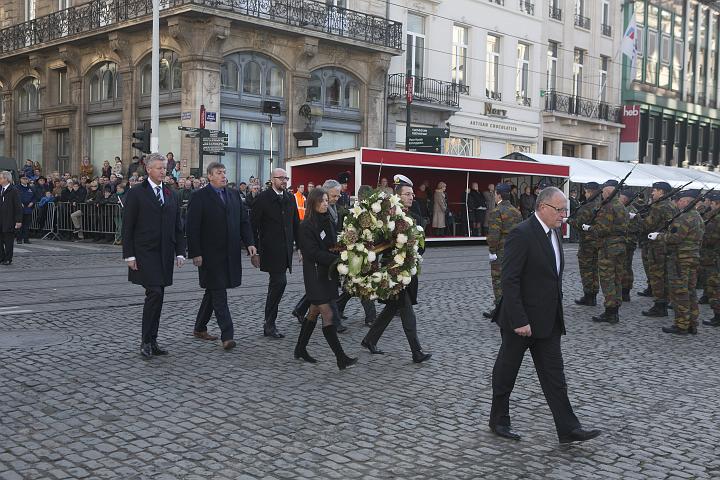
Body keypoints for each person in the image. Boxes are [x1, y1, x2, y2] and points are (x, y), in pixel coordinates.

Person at [489, 187, 601, 444]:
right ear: (542, 207)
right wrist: (519, 320)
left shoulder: (554, 233)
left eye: (565, 210)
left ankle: (568, 428)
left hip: (548, 321)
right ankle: (499, 421)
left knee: (555, 377)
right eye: (559, 209)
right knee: (507, 373)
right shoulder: (521, 233)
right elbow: (510, 279)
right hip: (521, 321)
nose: (564, 215)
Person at [361, 174, 432, 364]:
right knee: (406, 310)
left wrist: (411, 253)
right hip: (393, 273)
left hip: (408, 272)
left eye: (412, 194)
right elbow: (379, 245)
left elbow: (422, 247)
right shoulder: (388, 219)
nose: (411, 197)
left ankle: (369, 340)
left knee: (392, 308)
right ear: (398, 197)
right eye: (407, 194)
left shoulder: (416, 218)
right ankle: (416, 351)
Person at [122, 153, 186, 359]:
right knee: (155, 293)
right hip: (144, 253)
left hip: (165, 253)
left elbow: (178, 226)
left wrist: (180, 252)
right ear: (148, 170)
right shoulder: (136, 193)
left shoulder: (171, 193)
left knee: (159, 296)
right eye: (159, 168)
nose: (163, 171)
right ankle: (145, 341)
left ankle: (153, 340)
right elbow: (128, 227)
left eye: (164, 168)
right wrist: (129, 255)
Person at [187, 162, 257, 350]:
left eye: (225, 172)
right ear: (209, 176)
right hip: (209, 255)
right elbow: (192, 227)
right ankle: (228, 335)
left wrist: (250, 242)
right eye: (219, 173)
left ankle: (199, 327)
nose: (223, 175)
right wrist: (195, 253)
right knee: (219, 293)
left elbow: (244, 221)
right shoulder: (199, 196)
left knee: (213, 290)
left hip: (230, 252)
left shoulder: (234, 195)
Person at [294, 187, 358, 370]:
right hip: (315, 275)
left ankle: (300, 349)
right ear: (313, 203)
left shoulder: (327, 219)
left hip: (327, 273)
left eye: (326, 201)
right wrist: (338, 259)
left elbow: (331, 244)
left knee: (313, 312)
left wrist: (345, 248)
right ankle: (341, 357)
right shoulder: (305, 225)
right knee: (328, 315)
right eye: (321, 201)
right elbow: (312, 253)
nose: (325, 203)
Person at [250, 168, 300, 339]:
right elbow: (253, 225)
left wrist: (300, 247)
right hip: (270, 249)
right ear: (272, 179)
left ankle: (269, 322)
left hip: (285, 250)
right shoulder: (263, 198)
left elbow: (295, 224)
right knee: (279, 282)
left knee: (277, 285)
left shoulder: (289, 197)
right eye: (281, 178)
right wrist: (253, 249)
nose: (284, 181)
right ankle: (269, 324)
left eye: (286, 178)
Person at [648, 190, 705, 335]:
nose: (677, 203)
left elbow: (674, 238)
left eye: (679, 200)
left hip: (680, 260)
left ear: (686, 201)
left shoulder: (684, 218)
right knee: (690, 292)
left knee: (679, 293)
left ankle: (682, 325)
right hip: (692, 258)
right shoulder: (697, 216)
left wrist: (658, 236)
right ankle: (692, 323)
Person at [582, 180, 629, 324]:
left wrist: (588, 228)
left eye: (603, 191)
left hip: (608, 249)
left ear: (608, 191)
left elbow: (602, 229)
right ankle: (614, 309)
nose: (602, 194)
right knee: (616, 279)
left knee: (608, 280)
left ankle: (610, 312)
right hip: (620, 247)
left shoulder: (608, 207)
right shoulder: (621, 206)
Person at [631, 182, 678, 317]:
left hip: (657, 245)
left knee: (657, 276)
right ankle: (666, 302)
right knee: (665, 275)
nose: (652, 193)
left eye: (655, 190)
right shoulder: (671, 205)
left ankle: (660, 306)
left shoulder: (659, 206)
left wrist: (636, 218)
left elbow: (647, 225)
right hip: (666, 244)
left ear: (662, 192)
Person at [484, 183, 522, 319]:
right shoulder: (517, 211)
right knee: (511, 280)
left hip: (500, 251)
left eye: (495, 194)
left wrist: (492, 251)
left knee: (498, 281)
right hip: (515, 252)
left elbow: (494, 235)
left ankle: (500, 310)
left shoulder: (496, 211)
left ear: (499, 195)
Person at [566, 182, 601, 306]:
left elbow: (579, 223)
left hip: (587, 243)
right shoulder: (601, 204)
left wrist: (568, 220)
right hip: (598, 242)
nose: (585, 194)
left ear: (590, 192)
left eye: (586, 192)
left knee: (586, 269)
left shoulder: (587, 207)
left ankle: (589, 296)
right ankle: (593, 295)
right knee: (594, 269)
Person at [702, 192, 720, 327]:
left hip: (714, 258)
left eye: (712, 203)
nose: (710, 205)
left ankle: (718, 316)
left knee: (715, 287)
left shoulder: (716, 219)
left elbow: (710, 239)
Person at [0, 171, 23, 265]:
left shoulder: (13, 190)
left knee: (8, 241)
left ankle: (8, 258)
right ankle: (1, 257)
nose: (0, 180)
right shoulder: (0, 189)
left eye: (1, 178)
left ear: (6, 179)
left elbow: (18, 206)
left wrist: (18, 220)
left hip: (9, 220)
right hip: (0, 219)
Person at [16, 175, 37, 244]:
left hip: (28, 208)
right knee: (19, 224)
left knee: (27, 224)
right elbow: (15, 197)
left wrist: (32, 202)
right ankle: (19, 239)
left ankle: (26, 239)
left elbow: (34, 197)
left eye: (26, 179)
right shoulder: (17, 188)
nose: (25, 180)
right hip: (20, 208)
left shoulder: (31, 188)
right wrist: (19, 202)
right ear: (20, 179)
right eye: (23, 179)